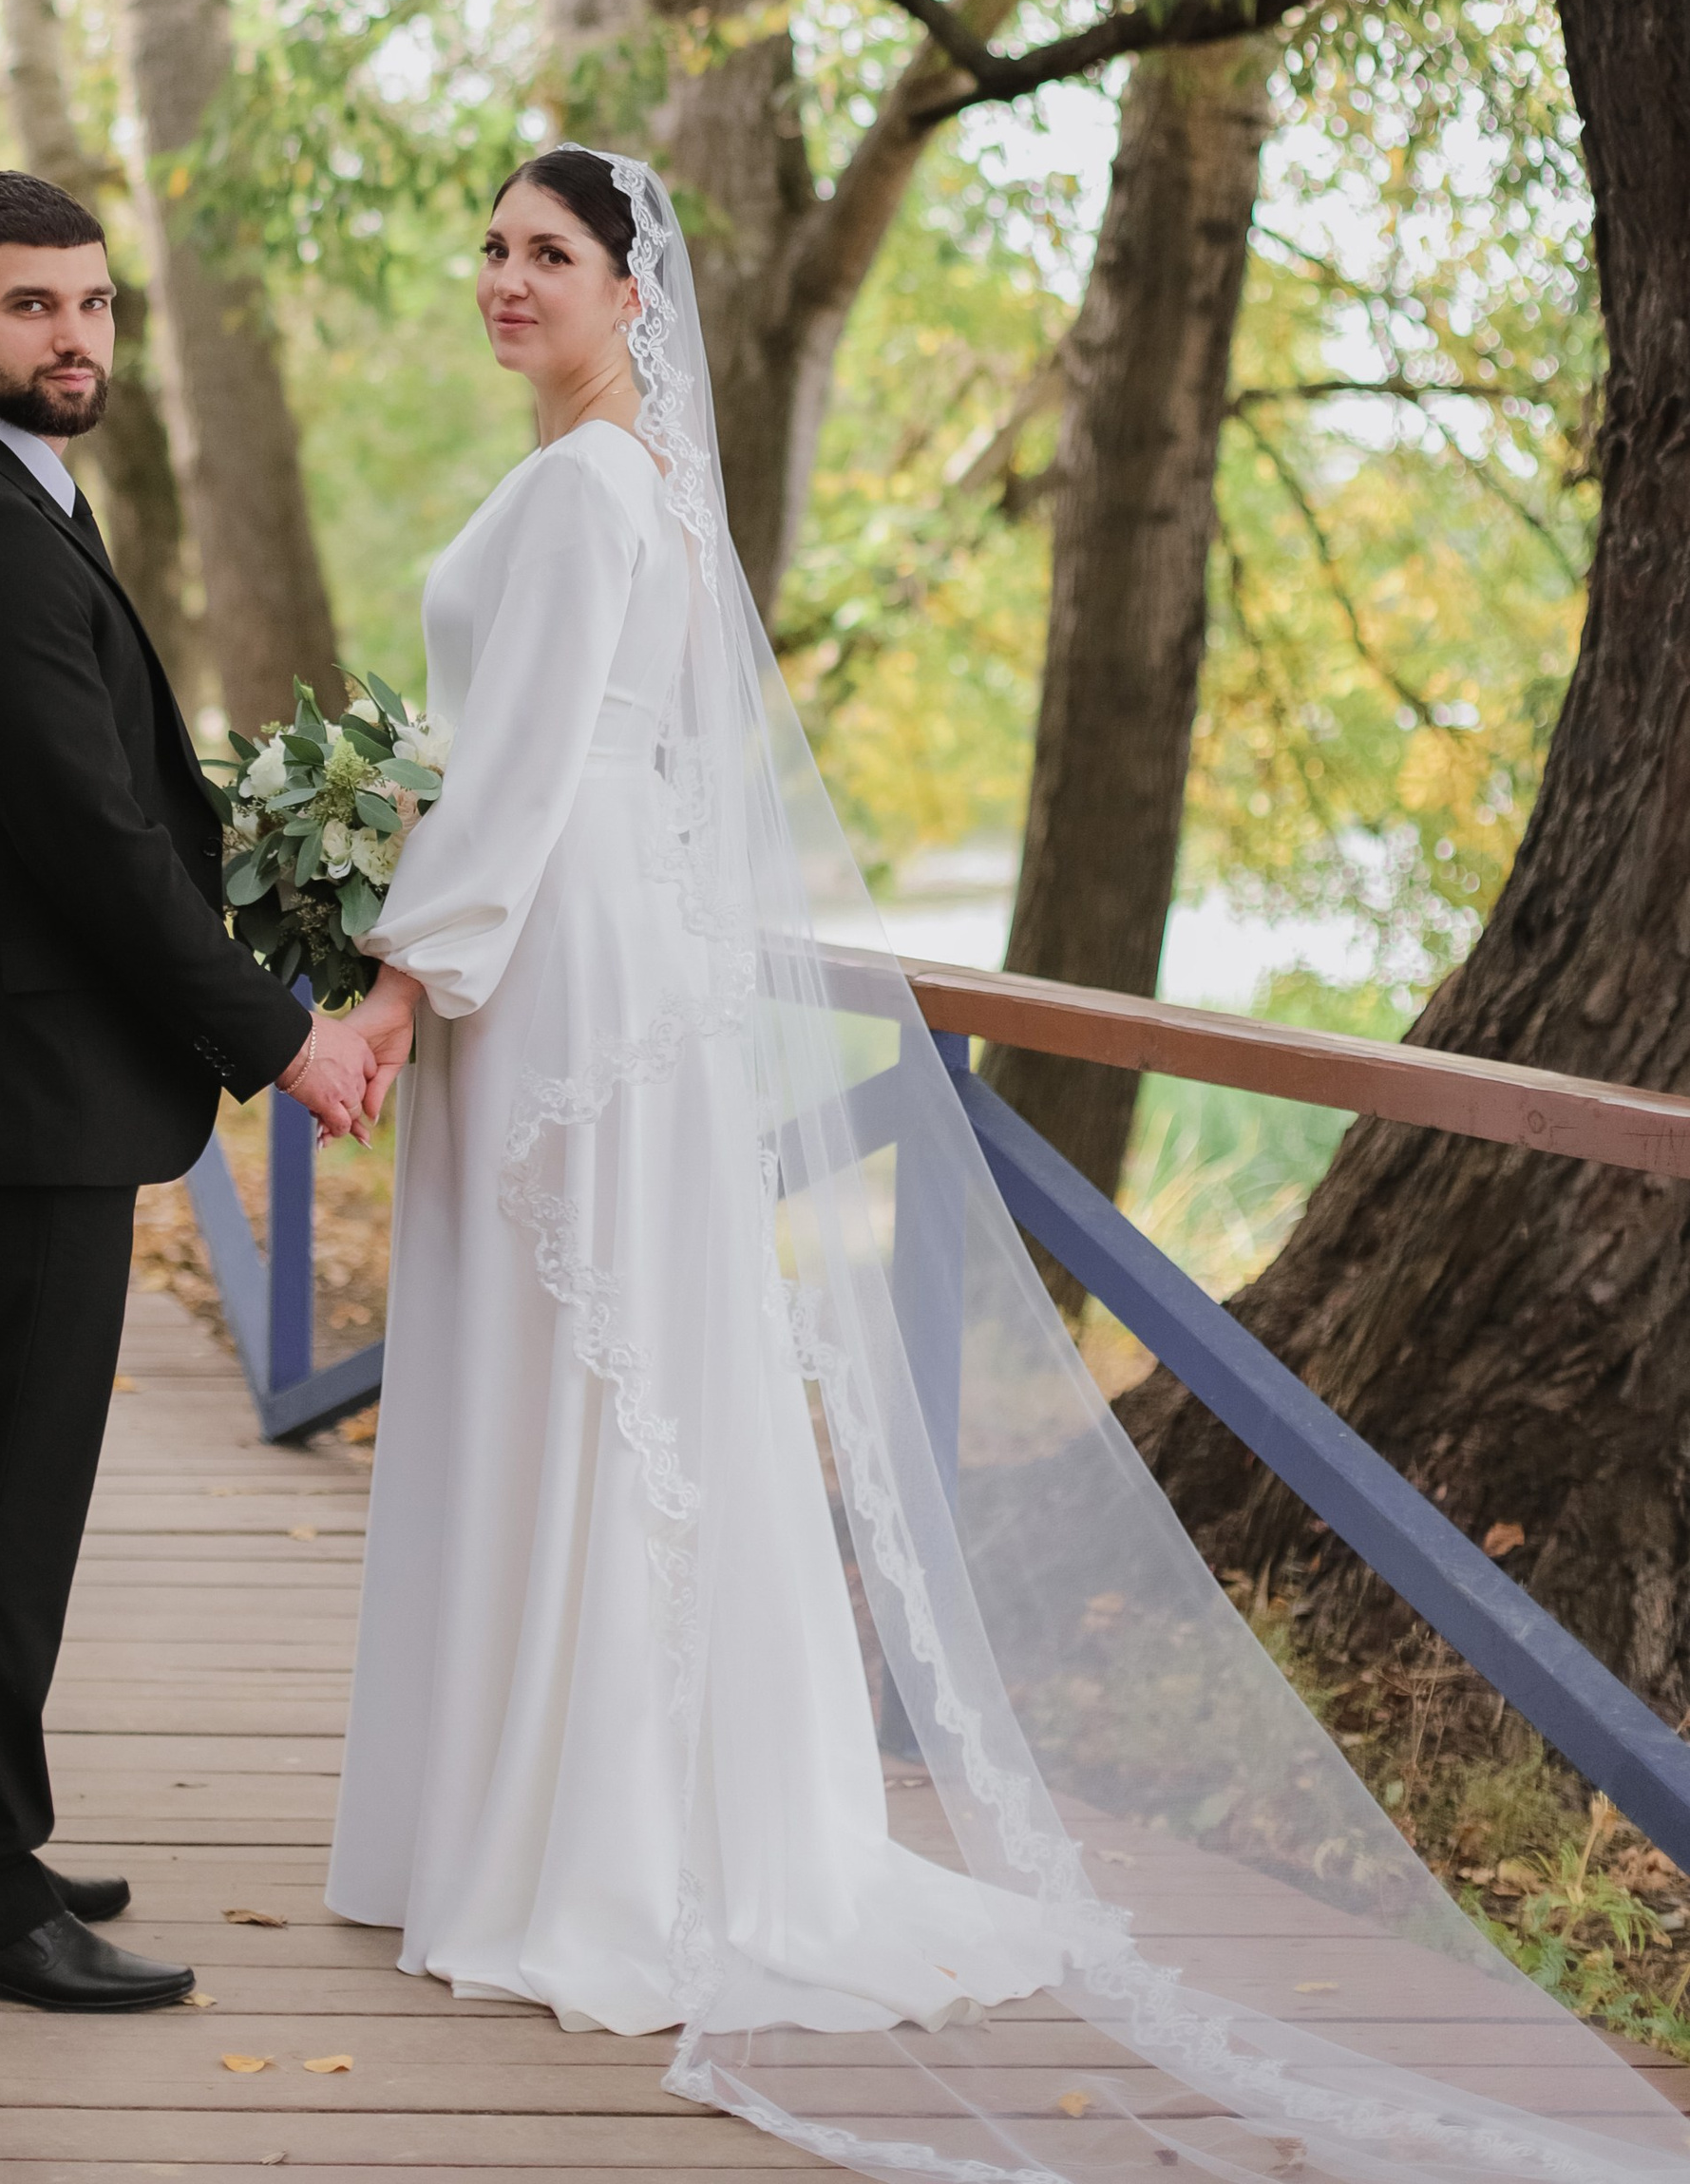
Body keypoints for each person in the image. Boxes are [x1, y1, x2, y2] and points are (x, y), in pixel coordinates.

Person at [326, 147, 1681, 2180]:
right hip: (592, 949)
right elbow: (516, 766)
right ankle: (540, 1807)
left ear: (634, 293)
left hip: (560, 967)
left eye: (551, 255)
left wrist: (388, 983)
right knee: (578, 1387)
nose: (509, 278)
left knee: (581, 1388)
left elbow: (515, 785)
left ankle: (585, 1839)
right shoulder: (634, 490)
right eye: (494, 246)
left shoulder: (603, 488)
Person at [0, 168, 376, 2015]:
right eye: (27, 308)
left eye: (92, 305)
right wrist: (284, 1033)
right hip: (9, 1090)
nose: (71, 338)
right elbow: (91, 844)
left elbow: (111, 805)